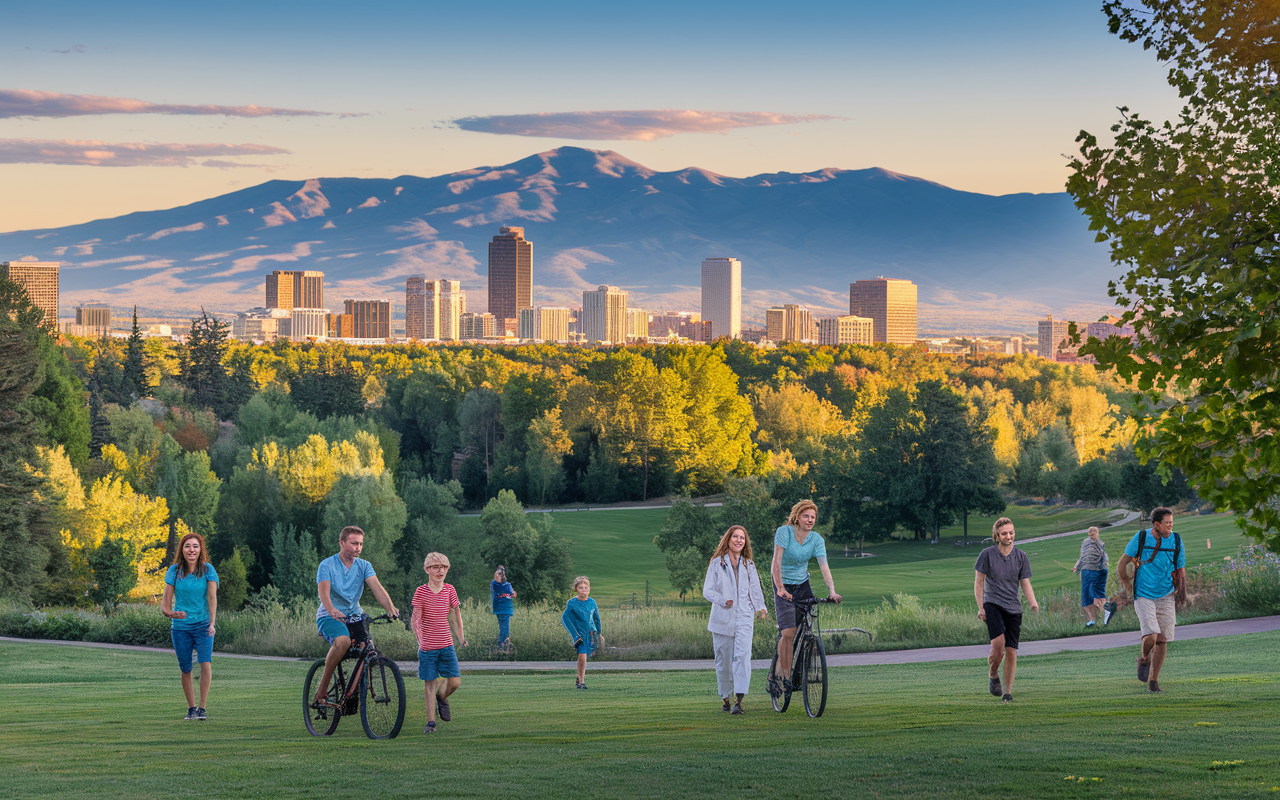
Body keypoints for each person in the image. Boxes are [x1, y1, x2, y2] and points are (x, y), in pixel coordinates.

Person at [312, 525, 399, 707]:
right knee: (342, 642)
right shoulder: (326, 565)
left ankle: (354, 692)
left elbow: (378, 589)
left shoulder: (364, 566)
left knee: (368, 648)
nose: (358, 548)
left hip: (354, 615)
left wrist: (390, 608)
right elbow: (324, 593)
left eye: (360, 544)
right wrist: (331, 609)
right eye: (354, 543)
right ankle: (321, 691)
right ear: (342, 543)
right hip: (329, 616)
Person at [768, 500, 841, 698]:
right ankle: (783, 676)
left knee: (806, 626)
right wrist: (781, 588)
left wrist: (832, 591)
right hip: (782, 583)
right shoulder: (784, 532)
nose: (810, 520)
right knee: (788, 632)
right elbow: (777, 562)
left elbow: (824, 566)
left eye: (813, 517)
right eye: (806, 516)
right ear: (797, 517)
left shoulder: (816, 539)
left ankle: (800, 665)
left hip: (802, 584)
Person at [1116, 507, 1186, 693]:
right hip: (1144, 594)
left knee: (1162, 640)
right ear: (1156, 524)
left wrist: (1182, 591)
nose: (1170, 526)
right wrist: (1127, 585)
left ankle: (1153, 681)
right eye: (1167, 523)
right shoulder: (1140, 537)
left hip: (1166, 595)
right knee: (1152, 635)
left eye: (1172, 522)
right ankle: (1144, 658)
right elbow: (1122, 564)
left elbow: (1180, 568)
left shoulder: (1177, 540)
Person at [702, 525, 768, 714]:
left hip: (744, 617)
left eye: (742, 537)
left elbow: (755, 589)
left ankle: (739, 701)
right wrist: (723, 600)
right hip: (722, 618)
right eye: (735, 537)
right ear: (728, 539)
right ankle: (725, 698)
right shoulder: (717, 563)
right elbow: (708, 591)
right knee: (723, 661)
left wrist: (760, 607)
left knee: (743, 657)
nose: (739, 540)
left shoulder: (749, 565)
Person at [974, 517, 1039, 703]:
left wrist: (1032, 602)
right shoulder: (986, 555)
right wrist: (981, 608)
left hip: (1014, 608)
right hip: (992, 604)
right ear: (996, 535)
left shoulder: (1021, 557)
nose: (1009, 536)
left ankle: (1007, 693)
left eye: (1011, 533)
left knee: (1011, 650)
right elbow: (979, 582)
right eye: (1004, 533)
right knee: (998, 647)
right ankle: (993, 674)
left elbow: (1025, 582)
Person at [161, 531, 219, 721]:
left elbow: (212, 597)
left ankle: (202, 708)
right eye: (187, 546)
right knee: (185, 668)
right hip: (180, 628)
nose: (191, 549)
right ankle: (191, 708)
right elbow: (165, 604)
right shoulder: (174, 571)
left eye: (195, 546)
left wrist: (212, 622)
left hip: (203, 625)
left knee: (205, 662)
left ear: (200, 549)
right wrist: (170, 613)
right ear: (182, 550)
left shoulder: (208, 570)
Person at [411, 552, 467, 734]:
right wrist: (421, 640)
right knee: (430, 683)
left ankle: (441, 696)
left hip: (446, 645)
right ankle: (431, 723)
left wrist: (461, 638)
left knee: (455, 682)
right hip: (427, 647)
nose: (440, 570)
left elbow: (455, 616)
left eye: (443, 567)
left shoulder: (450, 590)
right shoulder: (421, 591)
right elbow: (415, 619)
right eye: (435, 567)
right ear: (427, 569)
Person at [562, 576, 602, 689]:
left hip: (590, 634)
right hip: (579, 635)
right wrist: (575, 634)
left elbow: (596, 619)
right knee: (582, 656)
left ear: (589, 588)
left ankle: (579, 679)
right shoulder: (572, 603)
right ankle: (582, 681)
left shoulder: (592, 602)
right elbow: (565, 618)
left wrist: (599, 633)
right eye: (581, 587)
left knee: (582, 658)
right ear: (576, 589)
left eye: (586, 587)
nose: (584, 589)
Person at [1072, 526, 1109, 627]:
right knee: (1093, 596)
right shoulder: (1095, 543)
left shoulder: (1093, 543)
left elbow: (1085, 558)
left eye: (1094, 531)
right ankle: (1093, 619)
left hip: (1091, 572)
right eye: (1091, 532)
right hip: (1094, 571)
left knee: (1090, 596)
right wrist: (1077, 566)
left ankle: (1103, 613)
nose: (1092, 533)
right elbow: (1084, 557)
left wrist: (1077, 567)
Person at [490, 565, 516, 649]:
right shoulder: (495, 584)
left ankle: (502, 644)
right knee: (503, 626)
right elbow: (496, 589)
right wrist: (498, 580)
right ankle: (503, 644)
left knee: (504, 626)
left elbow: (513, 594)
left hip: (505, 608)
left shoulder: (507, 584)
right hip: (501, 608)